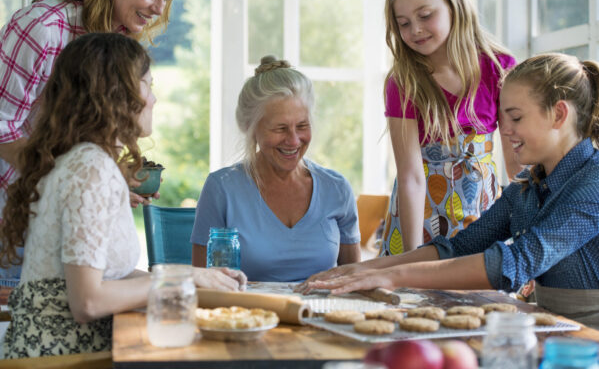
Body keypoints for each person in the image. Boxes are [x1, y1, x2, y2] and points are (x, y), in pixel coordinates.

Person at [300, 53, 599, 328]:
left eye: (516, 118)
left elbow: (516, 262)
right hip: (556, 328)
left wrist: (391, 276)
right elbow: (460, 246)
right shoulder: (527, 186)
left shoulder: (594, 183)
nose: (505, 130)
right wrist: (366, 269)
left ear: (559, 114)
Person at [0, 33, 247, 359]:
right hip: (64, 361)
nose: (155, 99)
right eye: (148, 84)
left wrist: (195, 278)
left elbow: (110, 276)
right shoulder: (90, 169)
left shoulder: (89, 161)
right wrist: (185, 278)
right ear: (118, 95)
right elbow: (88, 302)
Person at [0, 0, 182, 285]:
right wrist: (79, 181)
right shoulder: (41, 28)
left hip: (57, 213)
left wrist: (108, 181)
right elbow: (2, 125)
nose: (159, 9)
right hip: (12, 215)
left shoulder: (122, 38)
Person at [378, 0, 519, 256]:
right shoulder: (402, 82)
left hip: (484, 215)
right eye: (403, 23)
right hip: (420, 220)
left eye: (425, 15)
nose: (415, 29)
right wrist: (412, 256)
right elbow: (410, 177)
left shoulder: (499, 66)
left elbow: (517, 160)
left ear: (454, 6)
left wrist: (523, 231)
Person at [190, 56, 361, 282]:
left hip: (319, 316)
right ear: (250, 128)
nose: (293, 141)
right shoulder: (222, 188)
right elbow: (205, 284)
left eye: (302, 126)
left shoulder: (337, 188)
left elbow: (355, 280)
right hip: (247, 315)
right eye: (280, 128)